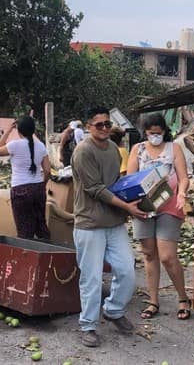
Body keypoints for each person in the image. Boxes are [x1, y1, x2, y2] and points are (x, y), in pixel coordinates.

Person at [71, 106, 148, 348]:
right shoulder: (83, 152)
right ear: (88, 127)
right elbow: (96, 190)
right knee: (91, 278)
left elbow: (116, 183)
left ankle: (113, 311)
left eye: (107, 124)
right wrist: (128, 208)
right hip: (90, 224)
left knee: (126, 270)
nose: (104, 128)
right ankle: (88, 325)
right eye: (99, 125)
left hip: (114, 222)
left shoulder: (114, 149)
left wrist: (137, 193)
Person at [126, 113, 191, 320]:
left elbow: (183, 178)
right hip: (144, 208)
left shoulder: (174, 149)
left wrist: (182, 193)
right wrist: (132, 204)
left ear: (164, 131)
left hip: (169, 206)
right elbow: (130, 178)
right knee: (148, 254)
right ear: (145, 132)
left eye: (159, 132)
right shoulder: (138, 150)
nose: (155, 136)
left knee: (167, 256)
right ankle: (153, 300)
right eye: (151, 133)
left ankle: (183, 298)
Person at [0, 117, 51, 239]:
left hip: (20, 190)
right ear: (33, 130)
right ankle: (48, 252)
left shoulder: (14, 145)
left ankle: (27, 254)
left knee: (24, 229)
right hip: (38, 188)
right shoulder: (41, 146)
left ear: (18, 130)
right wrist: (43, 184)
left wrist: (8, 132)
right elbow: (47, 170)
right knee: (41, 225)